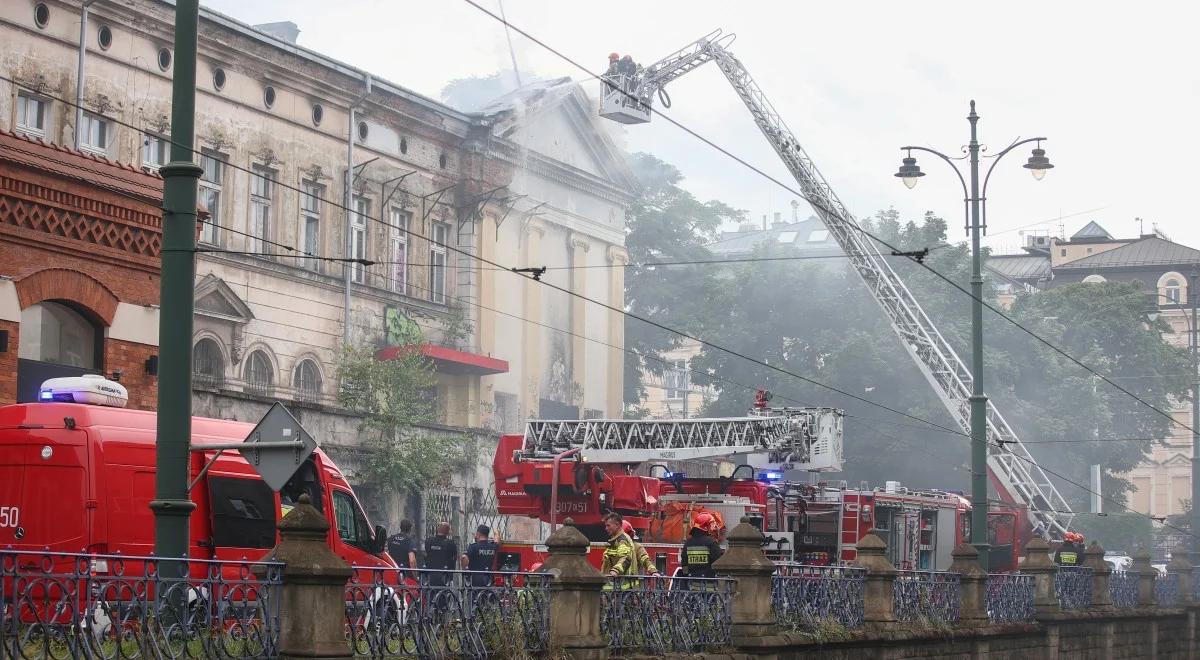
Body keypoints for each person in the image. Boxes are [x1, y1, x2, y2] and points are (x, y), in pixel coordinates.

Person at [680, 512, 723, 582]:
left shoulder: (688, 543)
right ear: (706, 526)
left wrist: (688, 576)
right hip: (710, 585)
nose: (713, 527)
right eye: (711, 524)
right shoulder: (711, 542)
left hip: (692, 585)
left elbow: (684, 563)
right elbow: (719, 563)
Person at [600, 512, 636, 585]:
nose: (606, 528)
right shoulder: (615, 540)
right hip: (615, 586)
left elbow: (626, 557)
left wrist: (615, 570)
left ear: (617, 525)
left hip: (621, 587)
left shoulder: (622, 540)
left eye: (608, 526)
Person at [423, 521, 459, 588]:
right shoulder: (450, 544)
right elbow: (454, 557)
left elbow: (426, 554)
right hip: (444, 575)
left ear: (437, 529)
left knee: (430, 594)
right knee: (444, 594)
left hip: (430, 574)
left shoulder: (429, 541)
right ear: (448, 532)